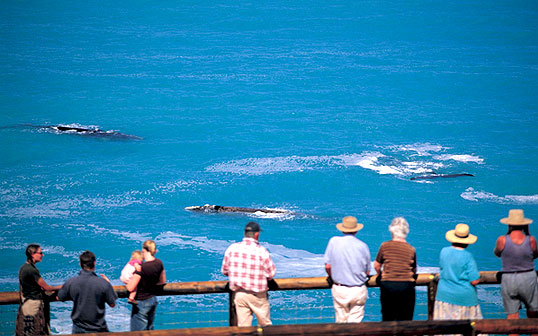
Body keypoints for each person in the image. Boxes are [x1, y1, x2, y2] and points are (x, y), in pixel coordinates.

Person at [221, 221, 276, 327]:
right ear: (257, 234)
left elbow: (225, 271)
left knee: (243, 327)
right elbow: (271, 273)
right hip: (258, 295)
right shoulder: (261, 251)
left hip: (239, 294)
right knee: (266, 326)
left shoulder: (232, 248)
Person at [494, 209, 538, 333]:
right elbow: (534, 254)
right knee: (533, 316)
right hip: (528, 277)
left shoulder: (502, 240)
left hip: (509, 279)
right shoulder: (531, 240)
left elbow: (497, 253)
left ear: (509, 224)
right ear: (525, 224)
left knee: (512, 318)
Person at [433, 224, 483, 332]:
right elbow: (474, 280)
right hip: (465, 298)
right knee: (470, 330)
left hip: (444, 296)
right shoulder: (467, 256)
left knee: (445, 331)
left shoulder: (444, 251)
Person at [324, 216, 371, 323]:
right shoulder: (363, 246)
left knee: (341, 322)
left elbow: (328, 266)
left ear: (342, 229)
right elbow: (367, 271)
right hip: (358, 289)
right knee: (355, 323)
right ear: (357, 230)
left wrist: (332, 277)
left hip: (340, 288)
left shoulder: (334, 241)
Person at [57, 250, 117, 333]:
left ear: (80, 264)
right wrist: (108, 284)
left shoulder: (71, 282)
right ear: (94, 263)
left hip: (78, 328)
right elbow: (112, 304)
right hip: (98, 328)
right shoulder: (103, 283)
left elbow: (59, 297)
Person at [373, 217, 417, 321]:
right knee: (406, 318)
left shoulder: (385, 246)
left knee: (387, 317)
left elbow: (376, 265)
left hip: (388, 284)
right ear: (406, 232)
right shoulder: (411, 249)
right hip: (406, 285)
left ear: (391, 230)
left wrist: (379, 274)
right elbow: (414, 270)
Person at [16, 244, 62, 336]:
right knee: (36, 331)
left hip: (26, 303)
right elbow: (47, 288)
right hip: (33, 305)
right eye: (40, 253)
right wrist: (62, 286)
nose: (42, 255)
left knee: (26, 331)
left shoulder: (23, 268)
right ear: (33, 254)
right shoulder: (32, 270)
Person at [126, 240, 166, 331]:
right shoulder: (159, 263)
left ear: (143, 250)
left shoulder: (142, 268)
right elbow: (162, 281)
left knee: (138, 332)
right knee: (149, 329)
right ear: (154, 251)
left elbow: (130, 287)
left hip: (141, 302)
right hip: (152, 300)